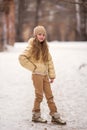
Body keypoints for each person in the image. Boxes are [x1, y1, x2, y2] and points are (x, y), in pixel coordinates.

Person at [18, 25, 66, 125]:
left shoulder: (45, 47)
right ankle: (36, 116)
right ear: (35, 35)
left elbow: (49, 61)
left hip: (45, 75)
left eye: (43, 35)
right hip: (37, 75)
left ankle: (55, 116)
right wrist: (34, 68)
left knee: (50, 96)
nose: (42, 36)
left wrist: (51, 75)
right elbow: (22, 58)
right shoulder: (31, 46)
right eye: (39, 34)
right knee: (39, 96)